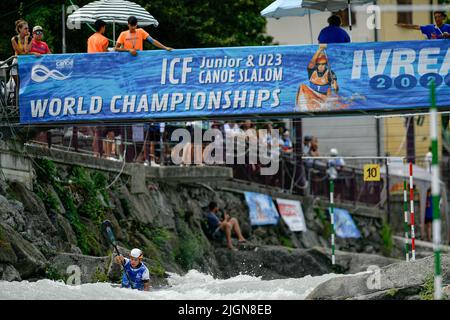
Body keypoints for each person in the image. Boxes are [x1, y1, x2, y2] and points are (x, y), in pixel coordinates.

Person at [87, 20, 109, 157]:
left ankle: (96, 153)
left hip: (91, 71)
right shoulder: (105, 40)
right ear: (102, 28)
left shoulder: (89, 39)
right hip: (101, 72)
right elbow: (107, 56)